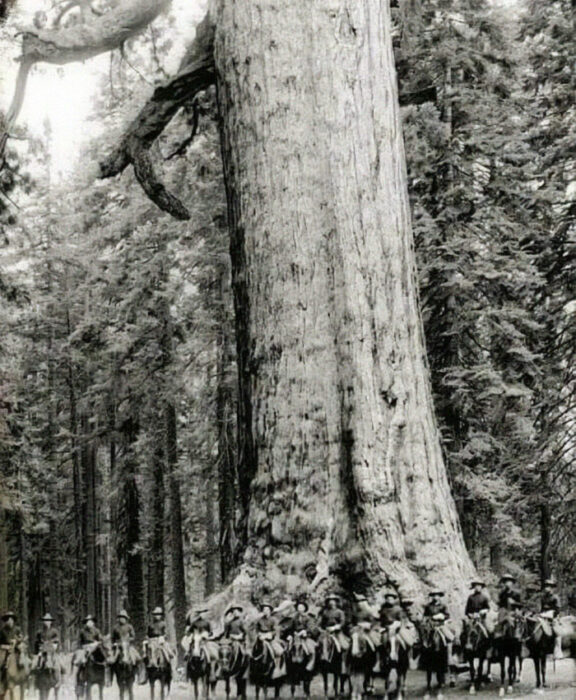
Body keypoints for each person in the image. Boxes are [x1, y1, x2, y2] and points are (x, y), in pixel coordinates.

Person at [254, 603, 285, 678]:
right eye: (264, 610)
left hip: (270, 638)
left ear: (270, 611)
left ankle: (277, 669)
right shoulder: (259, 620)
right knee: (253, 651)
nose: (266, 611)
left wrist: (269, 634)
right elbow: (256, 629)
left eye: (267, 610)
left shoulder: (274, 619)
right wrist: (259, 634)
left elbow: (275, 630)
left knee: (279, 651)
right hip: (261, 638)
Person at [283, 600, 317, 671]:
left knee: (311, 649)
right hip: (295, 636)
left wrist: (305, 631)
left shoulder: (308, 617)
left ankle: (310, 664)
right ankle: (288, 667)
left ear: (304, 608)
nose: (300, 609)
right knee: (286, 648)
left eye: (301, 607)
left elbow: (311, 628)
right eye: (298, 607)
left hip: (305, 636)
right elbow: (290, 628)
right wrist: (290, 634)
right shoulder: (294, 618)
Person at [461, 580, 491, 650]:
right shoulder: (470, 597)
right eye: (476, 586)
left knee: (488, 631)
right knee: (464, 632)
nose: (477, 587)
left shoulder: (484, 597)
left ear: (481, 587)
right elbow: (467, 610)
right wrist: (470, 614)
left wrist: (483, 611)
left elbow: (488, 608)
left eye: (479, 586)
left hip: (481, 619)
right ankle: (464, 650)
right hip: (471, 618)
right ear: (474, 587)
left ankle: (488, 650)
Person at [541, 579, 563, 659]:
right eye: (546, 586)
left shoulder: (555, 597)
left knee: (556, 631)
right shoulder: (543, 597)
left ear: (551, 588)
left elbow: (558, 609)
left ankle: (558, 650)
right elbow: (542, 608)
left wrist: (551, 614)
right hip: (543, 615)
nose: (546, 588)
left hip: (553, 615)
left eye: (548, 586)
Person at [0, 612, 23, 678]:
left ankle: (21, 675)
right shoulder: (2, 631)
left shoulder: (17, 629)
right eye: (8, 620)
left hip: (16, 649)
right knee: (4, 661)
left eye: (11, 619)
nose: (9, 621)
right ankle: (3, 675)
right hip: (6, 650)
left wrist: (17, 641)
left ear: (13, 620)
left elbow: (21, 638)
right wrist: (4, 646)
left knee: (20, 660)